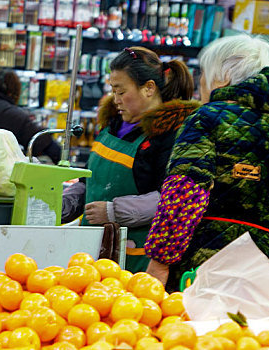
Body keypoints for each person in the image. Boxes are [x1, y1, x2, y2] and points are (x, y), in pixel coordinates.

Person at [143, 35, 269, 290]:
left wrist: (160, 260)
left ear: (223, 76)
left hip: (208, 269)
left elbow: (185, 192)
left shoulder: (207, 119)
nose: (201, 85)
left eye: (204, 75)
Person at [62, 47, 200, 273]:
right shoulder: (112, 126)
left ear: (148, 88)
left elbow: (172, 199)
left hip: (134, 259)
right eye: (112, 91)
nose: (115, 99)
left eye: (121, 91)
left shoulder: (169, 136)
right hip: (90, 252)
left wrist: (113, 211)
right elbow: (90, 181)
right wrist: (63, 204)